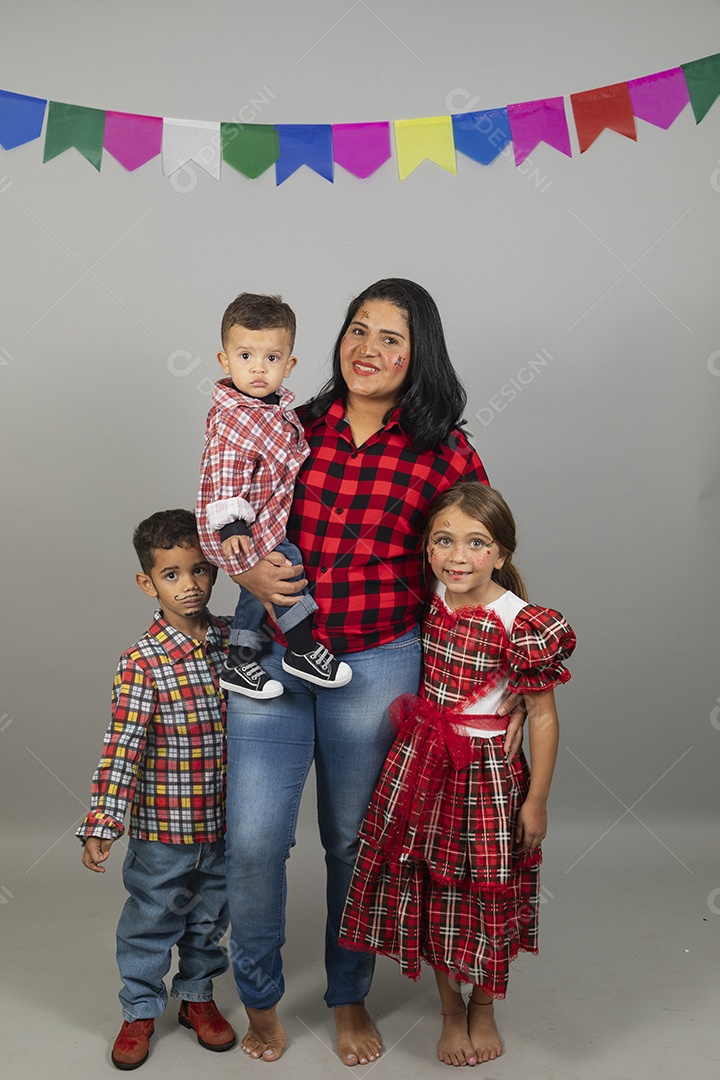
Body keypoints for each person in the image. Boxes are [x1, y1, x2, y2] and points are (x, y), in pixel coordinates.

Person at [220, 279, 525, 1065]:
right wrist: (244, 573)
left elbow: (480, 561)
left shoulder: (444, 448)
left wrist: (508, 674)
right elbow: (225, 506)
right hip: (279, 662)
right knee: (253, 841)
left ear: (420, 352)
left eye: (391, 337)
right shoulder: (293, 426)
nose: (369, 349)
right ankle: (258, 1001)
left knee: (353, 841)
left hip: (379, 659)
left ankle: (347, 996)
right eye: (358, 330)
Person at [339, 482, 576, 1067]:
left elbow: (542, 718)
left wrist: (537, 800)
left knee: (485, 892)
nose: (457, 556)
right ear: (427, 548)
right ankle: (449, 1010)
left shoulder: (521, 622)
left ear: (501, 553)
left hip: (490, 776)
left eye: (477, 543)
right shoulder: (431, 600)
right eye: (443, 541)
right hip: (424, 766)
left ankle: (485, 1006)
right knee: (432, 885)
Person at [77, 509, 237, 1071]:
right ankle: (141, 1007)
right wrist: (102, 823)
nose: (189, 585)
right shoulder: (142, 663)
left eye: (199, 570)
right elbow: (121, 750)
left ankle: (196, 999)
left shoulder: (232, 642)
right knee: (151, 920)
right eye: (172, 574)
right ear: (148, 582)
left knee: (210, 918)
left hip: (223, 823)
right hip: (163, 831)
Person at [196, 292, 351, 700]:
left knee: (255, 588)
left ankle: (239, 658)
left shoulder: (271, 408)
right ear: (224, 361)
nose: (258, 369)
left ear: (289, 364)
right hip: (238, 523)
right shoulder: (236, 417)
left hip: (263, 515)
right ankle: (301, 648)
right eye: (245, 356)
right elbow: (224, 470)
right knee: (286, 564)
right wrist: (232, 523)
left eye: (271, 358)